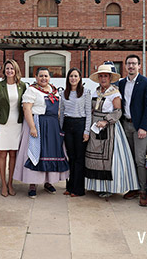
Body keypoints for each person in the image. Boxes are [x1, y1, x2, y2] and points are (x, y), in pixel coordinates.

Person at [85, 62, 139, 198]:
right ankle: (96, 185)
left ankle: (109, 187)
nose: (103, 79)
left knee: (111, 160)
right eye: (101, 76)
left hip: (109, 129)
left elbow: (118, 112)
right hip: (94, 127)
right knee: (93, 157)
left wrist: (106, 120)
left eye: (106, 76)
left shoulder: (114, 93)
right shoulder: (96, 91)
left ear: (110, 78)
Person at [14, 67, 69, 198]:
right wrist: (32, 127)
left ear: (49, 77)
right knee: (35, 153)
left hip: (52, 126)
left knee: (50, 153)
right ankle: (33, 184)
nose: (43, 78)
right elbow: (27, 109)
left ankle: (48, 182)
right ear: (36, 77)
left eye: (46, 76)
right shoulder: (31, 90)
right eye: (41, 76)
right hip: (38, 124)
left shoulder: (55, 91)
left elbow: (59, 110)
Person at [118, 54, 147, 206]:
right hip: (124, 125)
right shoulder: (120, 83)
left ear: (139, 66)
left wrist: (143, 127)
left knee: (140, 159)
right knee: (129, 157)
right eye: (129, 64)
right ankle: (133, 187)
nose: (131, 66)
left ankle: (143, 191)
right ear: (125, 66)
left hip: (139, 127)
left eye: (134, 63)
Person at [0, 59, 27, 197]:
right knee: (2, 154)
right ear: (4, 71)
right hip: (2, 124)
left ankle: (10, 183)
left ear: (16, 70)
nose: (9, 71)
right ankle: (3, 185)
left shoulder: (22, 86)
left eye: (12, 68)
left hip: (17, 124)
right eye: (7, 69)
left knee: (13, 155)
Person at [59, 68, 91, 197]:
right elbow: (61, 113)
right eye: (71, 76)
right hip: (67, 125)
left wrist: (86, 131)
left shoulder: (85, 93)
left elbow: (88, 113)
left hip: (80, 125)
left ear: (79, 78)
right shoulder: (63, 93)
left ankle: (78, 189)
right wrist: (61, 130)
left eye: (75, 76)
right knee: (70, 157)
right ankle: (70, 186)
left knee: (79, 158)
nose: (73, 78)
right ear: (68, 78)